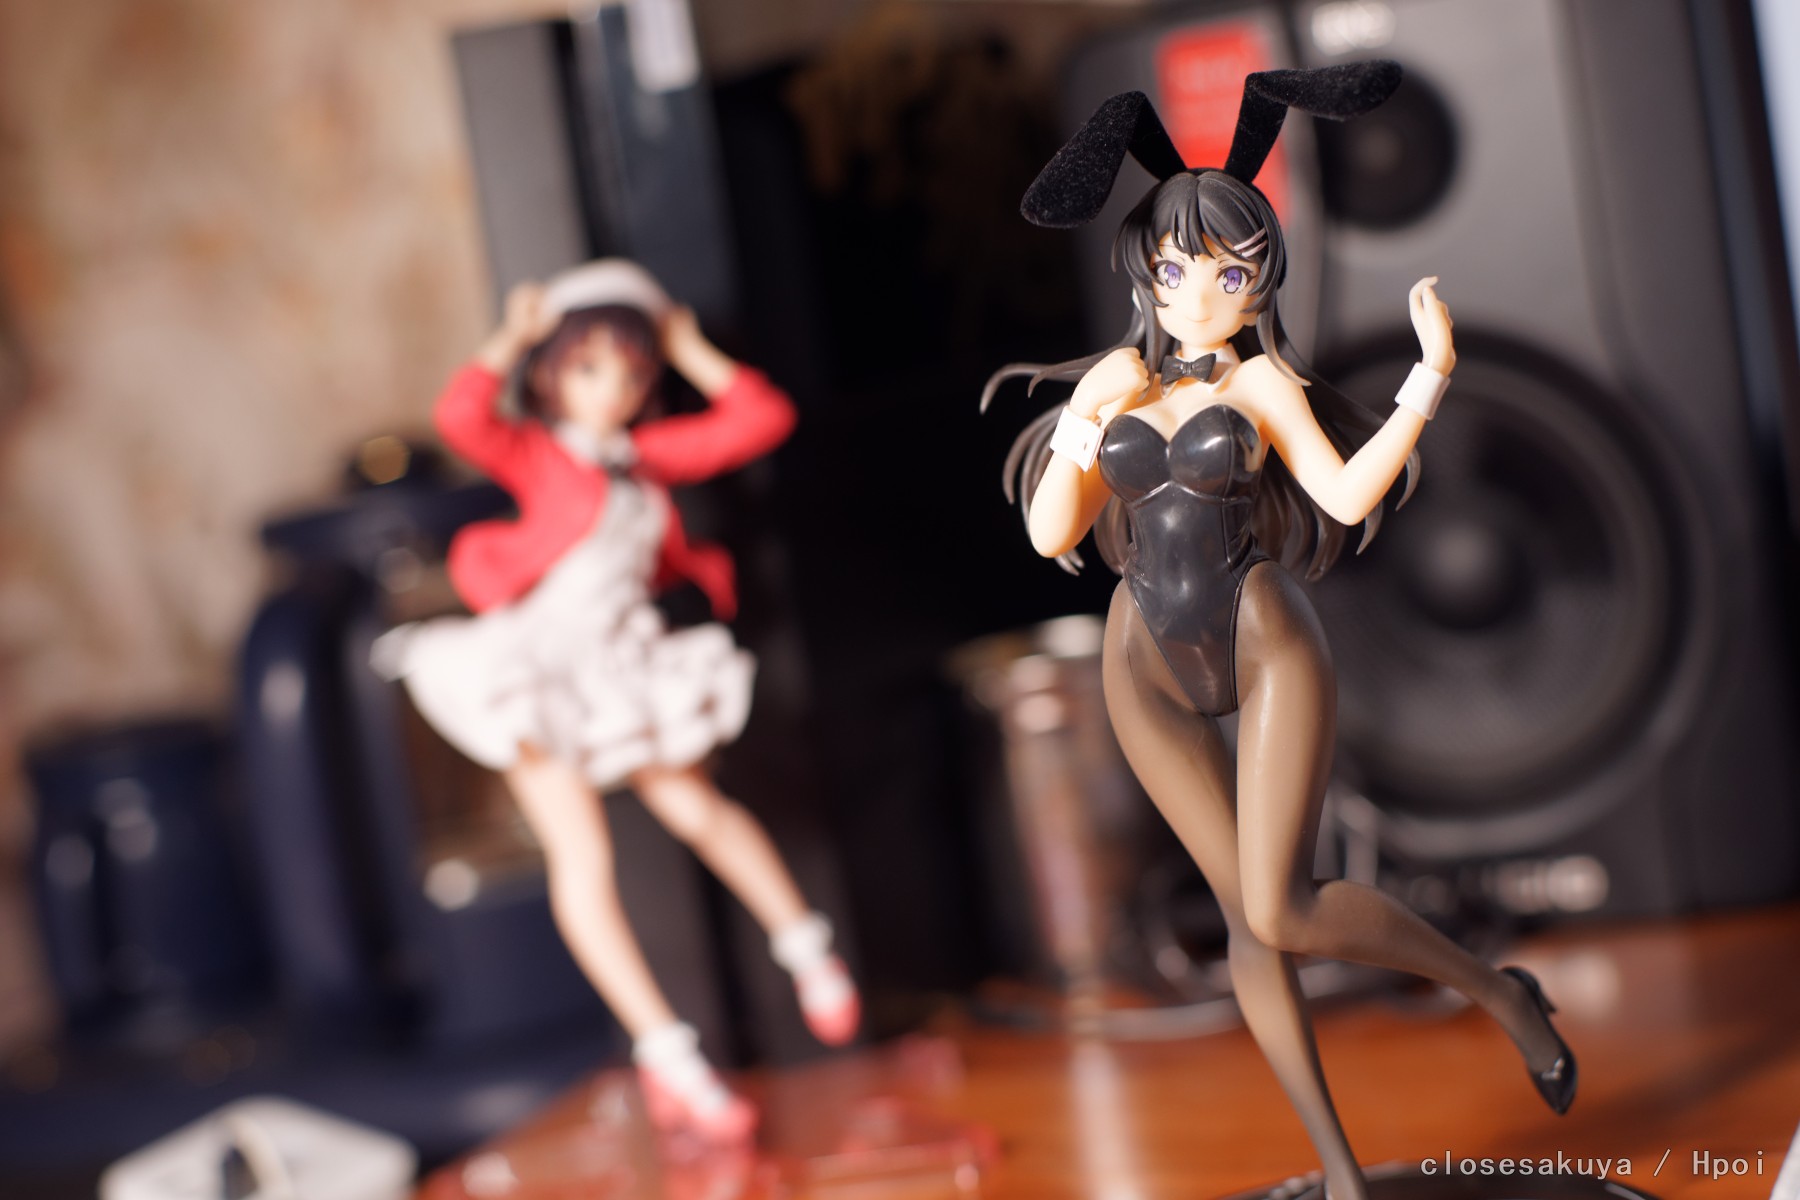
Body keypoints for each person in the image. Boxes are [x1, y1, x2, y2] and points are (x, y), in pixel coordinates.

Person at [985, 69, 1574, 1200]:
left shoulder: (1259, 386)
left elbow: (1343, 497)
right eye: (1174, 269)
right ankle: (1342, 1179)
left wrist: (1427, 381)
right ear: (1142, 270)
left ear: (1259, 279)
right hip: (1141, 660)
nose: (1198, 295)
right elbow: (1052, 531)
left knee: (1283, 907)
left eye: (1228, 272)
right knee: (1247, 927)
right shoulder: (1119, 378)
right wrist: (1084, 423)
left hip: (1261, 640)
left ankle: (1499, 990)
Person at [376, 260, 858, 1140]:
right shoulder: (536, 448)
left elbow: (762, 419)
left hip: (622, 663)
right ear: (554, 373)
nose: (614, 389)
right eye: (591, 368)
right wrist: (512, 338)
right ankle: (667, 1052)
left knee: (699, 809)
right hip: (537, 664)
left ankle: (807, 947)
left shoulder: (646, 457)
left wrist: (688, 348)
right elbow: (460, 417)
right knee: (583, 857)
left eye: (634, 373)